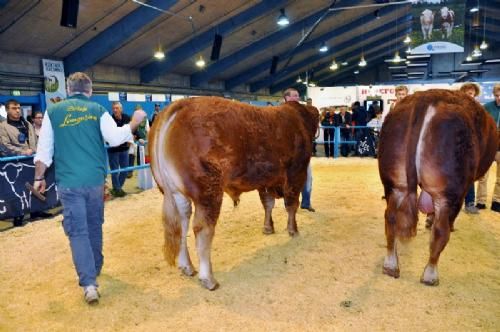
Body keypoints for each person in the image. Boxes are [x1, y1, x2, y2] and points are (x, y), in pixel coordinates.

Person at [33, 72, 147, 305]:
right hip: (95, 181)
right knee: (95, 225)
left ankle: (89, 283)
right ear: (90, 90)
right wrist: (134, 122)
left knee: (78, 231)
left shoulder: (53, 112)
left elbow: (44, 151)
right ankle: (95, 267)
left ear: (68, 89)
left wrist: (39, 178)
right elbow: (115, 138)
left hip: (69, 183)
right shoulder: (97, 110)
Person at [0, 99, 37, 227]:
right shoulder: (3, 126)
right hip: (13, 163)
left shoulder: (27, 124)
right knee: (16, 191)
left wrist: (33, 150)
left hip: (31, 161)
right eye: (14, 108)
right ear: (7, 110)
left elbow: (33, 141)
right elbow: (4, 146)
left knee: (34, 186)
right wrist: (22, 152)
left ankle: (36, 211)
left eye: (18, 108)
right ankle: (18, 216)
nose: (17, 110)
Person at [283, 88, 315, 212]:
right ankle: (288, 204)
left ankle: (306, 202)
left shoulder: (303, 112)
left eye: (297, 96)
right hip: (285, 153)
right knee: (286, 179)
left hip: (301, 152)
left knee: (308, 177)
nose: (297, 98)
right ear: (286, 98)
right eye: (294, 96)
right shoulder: (279, 113)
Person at [460, 83, 481, 214]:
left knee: (469, 175)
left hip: (471, 146)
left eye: (472, 93)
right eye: (467, 92)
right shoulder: (456, 107)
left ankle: (469, 203)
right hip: (456, 146)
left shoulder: (478, 109)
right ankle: (454, 203)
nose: (470, 95)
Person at [479, 83, 500, 213]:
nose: (499, 98)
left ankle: (497, 201)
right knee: (483, 176)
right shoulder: (487, 107)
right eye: (497, 95)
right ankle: (480, 201)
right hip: (488, 146)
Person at [107, 101, 131, 197]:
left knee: (125, 170)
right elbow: (107, 134)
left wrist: (137, 137)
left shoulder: (127, 118)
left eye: (117, 108)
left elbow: (131, 130)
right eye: (114, 108)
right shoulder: (109, 120)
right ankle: (117, 190)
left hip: (124, 148)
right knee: (115, 171)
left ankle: (118, 188)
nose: (115, 110)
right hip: (113, 149)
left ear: (121, 109)